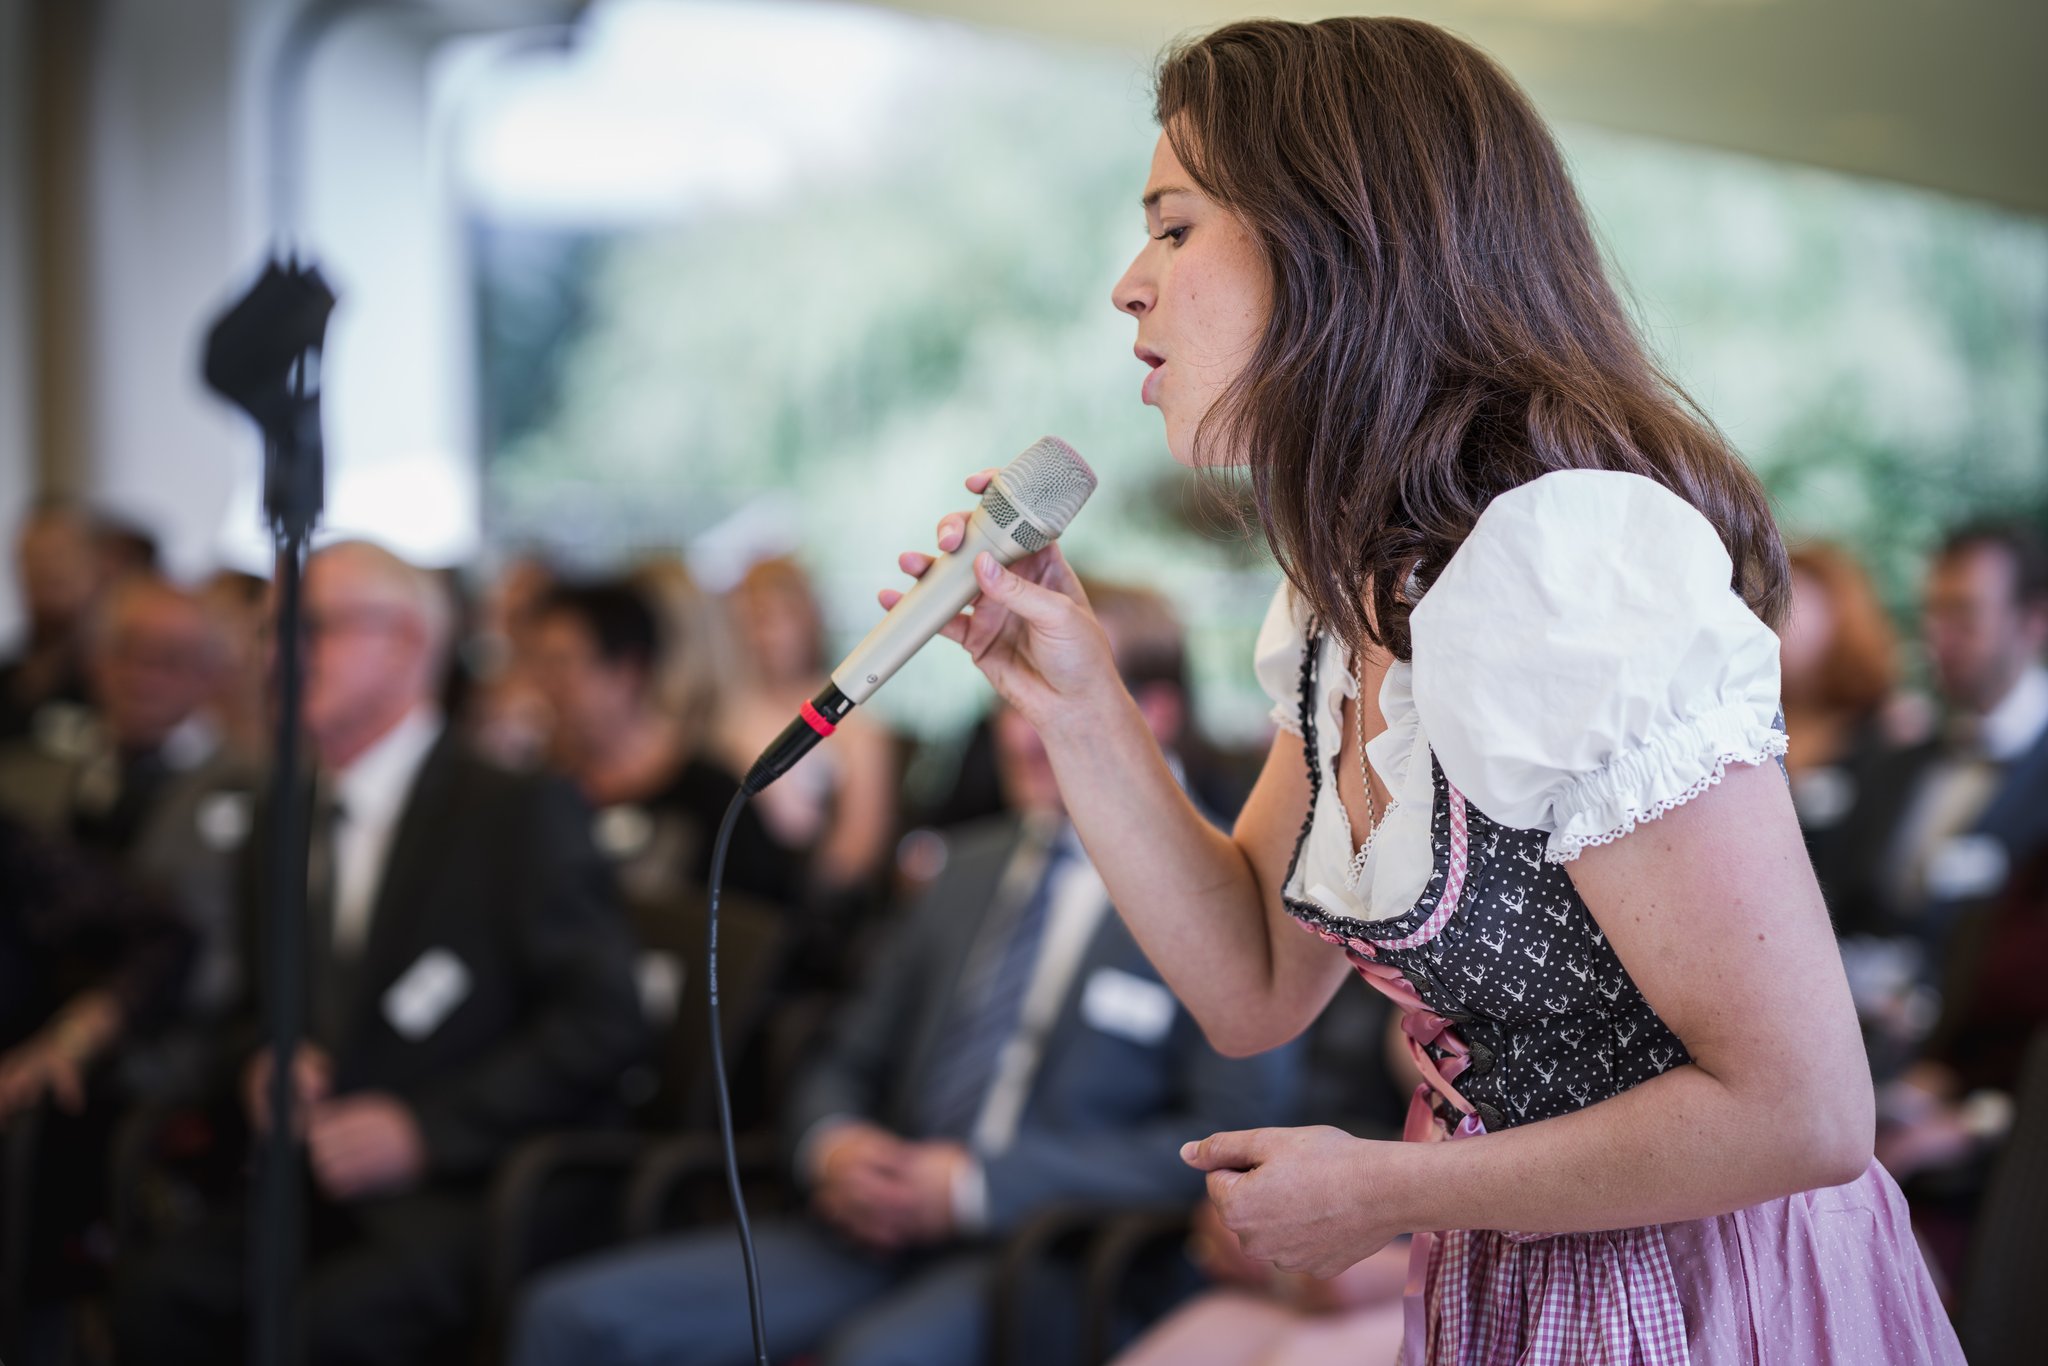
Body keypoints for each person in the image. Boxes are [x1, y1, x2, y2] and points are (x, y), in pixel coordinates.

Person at [882, 18, 1959, 1363]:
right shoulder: (1351, 601)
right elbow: (1255, 982)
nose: (1128, 285)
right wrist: (1080, 699)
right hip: (1511, 1284)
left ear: (1332, 239)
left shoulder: (1563, 565)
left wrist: (1390, 1189)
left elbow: (1804, 1112)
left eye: (1172, 227)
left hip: (1705, 1292)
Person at [509, 620, 1300, 1366]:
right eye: (1006, 705)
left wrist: (971, 1189)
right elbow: (845, 1049)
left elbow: (1225, 1137)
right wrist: (836, 1145)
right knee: (566, 1316)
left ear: (1153, 712)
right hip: (872, 1222)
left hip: (1057, 1251)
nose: (1018, 739)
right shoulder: (963, 867)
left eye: (1043, 702)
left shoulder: (1224, 886)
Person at [112, 540, 647, 1366]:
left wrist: (426, 1132)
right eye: (267, 633)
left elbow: (603, 1022)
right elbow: (252, 1009)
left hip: (466, 1184)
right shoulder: (282, 812)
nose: (275, 658)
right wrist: (262, 1061)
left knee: (324, 1330)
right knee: (157, 1297)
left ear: (406, 644)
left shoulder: (515, 811)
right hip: (310, 1182)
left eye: (310, 628)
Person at [1812, 523, 2048, 1074]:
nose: (1937, 638)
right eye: (1932, 614)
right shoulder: (1895, 763)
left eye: (1964, 615)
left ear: (2035, 620)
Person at [530, 578, 796, 909]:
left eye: (561, 664)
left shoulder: (712, 796)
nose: (544, 685)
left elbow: (754, 924)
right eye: (536, 664)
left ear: (627, 671)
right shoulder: (538, 789)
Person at [717, 556, 899, 911]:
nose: (760, 637)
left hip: (794, 902)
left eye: (771, 618)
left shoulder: (858, 727)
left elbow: (858, 850)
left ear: (808, 618)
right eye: (747, 621)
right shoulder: (722, 713)